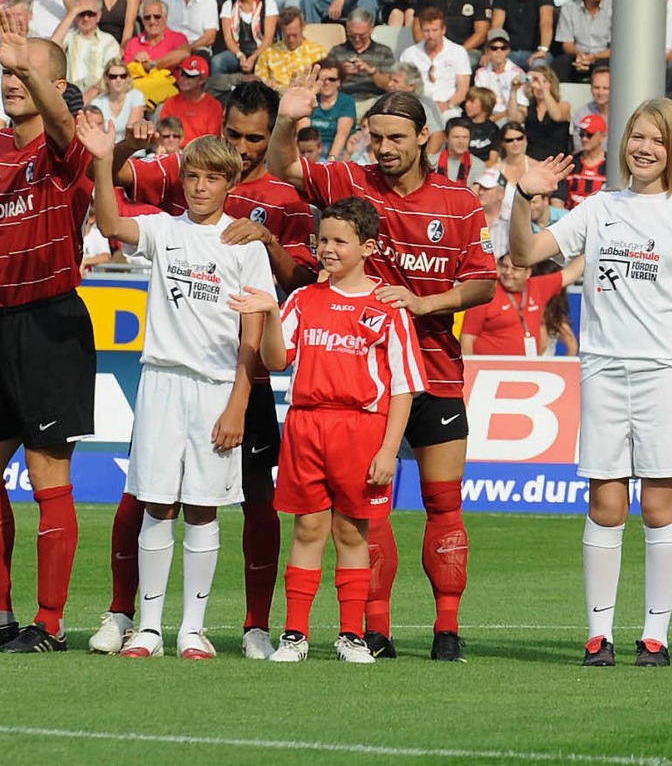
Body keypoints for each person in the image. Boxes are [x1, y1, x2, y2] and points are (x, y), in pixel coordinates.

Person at [268, 72, 497, 661]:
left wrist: (427, 303)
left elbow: (482, 283)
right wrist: (287, 119)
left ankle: (447, 629)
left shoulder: (461, 203)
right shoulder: (350, 181)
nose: (384, 148)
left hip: (438, 372)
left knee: (445, 504)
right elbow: (283, 168)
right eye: (376, 137)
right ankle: (375, 629)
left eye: (396, 137)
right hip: (366, 382)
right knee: (367, 513)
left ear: (425, 137)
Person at [91, 80, 317, 660]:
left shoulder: (246, 244)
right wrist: (103, 157)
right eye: (192, 177)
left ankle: (195, 628)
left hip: (221, 388)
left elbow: (256, 328)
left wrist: (240, 400)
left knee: (204, 507)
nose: (199, 186)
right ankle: (144, 626)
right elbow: (112, 223)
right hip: (163, 380)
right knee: (155, 501)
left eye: (212, 178)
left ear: (230, 183)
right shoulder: (165, 229)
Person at [0, 12, 96, 654]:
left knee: (46, 474)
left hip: (52, 317)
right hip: (2, 318)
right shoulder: (0, 149)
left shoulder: (69, 145)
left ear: (54, 85)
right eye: (5, 71)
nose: (9, 79)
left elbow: (63, 125)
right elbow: (0, 232)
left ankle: (52, 623)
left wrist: (26, 62)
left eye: (22, 71)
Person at [508, 99, 672, 668]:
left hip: (663, 372)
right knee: (606, 505)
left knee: (659, 506)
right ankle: (597, 635)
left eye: (656, 139)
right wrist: (522, 197)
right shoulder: (600, 207)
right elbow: (525, 253)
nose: (643, 148)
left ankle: (656, 636)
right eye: (637, 137)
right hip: (603, 369)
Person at [233, 196, 426, 664]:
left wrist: (387, 450)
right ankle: (295, 635)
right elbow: (278, 360)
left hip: (361, 430)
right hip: (305, 425)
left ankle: (350, 636)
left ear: (368, 247)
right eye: (323, 240)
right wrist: (272, 314)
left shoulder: (387, 307)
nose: (329, 249)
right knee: (309, 528)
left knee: (352, 534)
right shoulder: (304, 299)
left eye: (341, 240)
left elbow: (404, 387)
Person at [460, 251, 582, 356]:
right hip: (490, 373)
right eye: (505, 267)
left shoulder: (538, 287)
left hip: (526, 370)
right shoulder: (485, 294)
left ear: (528, 272)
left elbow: (571, 273)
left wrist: (594, 245)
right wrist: (469, 373)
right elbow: (467, 340)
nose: (508, 272)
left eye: (515, 269)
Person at [401, 8, 471, 120]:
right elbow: (402, 85)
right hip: (418, 108)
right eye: (426, 31)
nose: (430, 35)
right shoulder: (410, 53)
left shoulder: (458, 52)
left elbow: (463, 90)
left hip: (448, 109)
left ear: (443, 30)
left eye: (434, 30)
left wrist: (447, 104)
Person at [213, 0, 277, 80]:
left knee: (271, 60)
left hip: (260, 52)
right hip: (237, 52)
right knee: (218, 61)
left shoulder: (268, 4)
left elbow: (268, 40)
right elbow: (228, 38)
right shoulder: (228, 5)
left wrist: (253, 57)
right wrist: (240, 55)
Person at [553, 0, 611, 84]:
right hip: (579, 55)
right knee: (559, 63)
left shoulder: (615, 6)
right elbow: (566, 43)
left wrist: (594, 57)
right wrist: (579, 55)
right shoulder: (569, 8)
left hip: (604, 56)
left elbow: (617, 48)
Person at [254, 5, 325, 92]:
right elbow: (259, 81)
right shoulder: (268, 53)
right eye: (287, 36)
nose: (291, 40)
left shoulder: (318, 52)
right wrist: (266, 85)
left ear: (303, 27)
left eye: (295, 35)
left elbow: (326, 81)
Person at [505, 65, 569, 161]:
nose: (539, 86)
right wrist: (513, 90)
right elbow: (512, 119)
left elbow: (557, 116)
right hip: (533, 160)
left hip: (557, 160)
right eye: (535, 81)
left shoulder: (564, 106)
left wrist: (543, 87)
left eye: (545, 81)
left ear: (552, 84)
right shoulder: (527, 109)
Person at [157, 54, 220, 142]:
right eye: (182, 73)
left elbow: (212, 140)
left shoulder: (213, 106)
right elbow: (163, 134)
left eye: (190, 76)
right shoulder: (171, 102)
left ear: (202, 80)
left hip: (200, 152)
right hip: (174, 150)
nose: (183, 78)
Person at [307, 58, 356, 160]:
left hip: (338, 152)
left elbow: (342, 134)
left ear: (339, 82)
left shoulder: (346, 102)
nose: (327, 83)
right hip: (311, 152)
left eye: (332, 79)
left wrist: (331, 161)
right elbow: (303, 132)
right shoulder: (309, 100)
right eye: (321, 79)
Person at [90, 55, 146, 142]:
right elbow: (95, 133)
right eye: (113, 76)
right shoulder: (97, 103)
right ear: (106, 78)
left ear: (127, 78)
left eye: (122, 76)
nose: (118, 80)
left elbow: (130, 131)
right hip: (106, 151)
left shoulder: (136, 96)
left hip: (132, 151)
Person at [565, 112, 607, 207]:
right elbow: (558, 198)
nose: (584, 139)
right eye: (581, 134)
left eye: (589, 135)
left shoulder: (611, 166)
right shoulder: (570, 162)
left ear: (602, 136)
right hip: (570, 216)